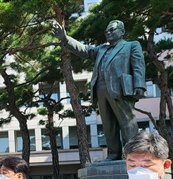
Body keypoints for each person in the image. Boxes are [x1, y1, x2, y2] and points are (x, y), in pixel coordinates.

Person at [52, 20, 146, 161]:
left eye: (112, 30)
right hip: (100, 91)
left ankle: (134, 155)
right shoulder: (101, 49)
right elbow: (83, 49)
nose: (108, 33)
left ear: (122, 31)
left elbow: (138, 66)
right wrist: (65, 39)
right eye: (107, 31)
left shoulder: (131, 46)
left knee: (128, 124)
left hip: (121, 90)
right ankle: (113, 155)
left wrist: (139, 86)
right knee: (108, 126)